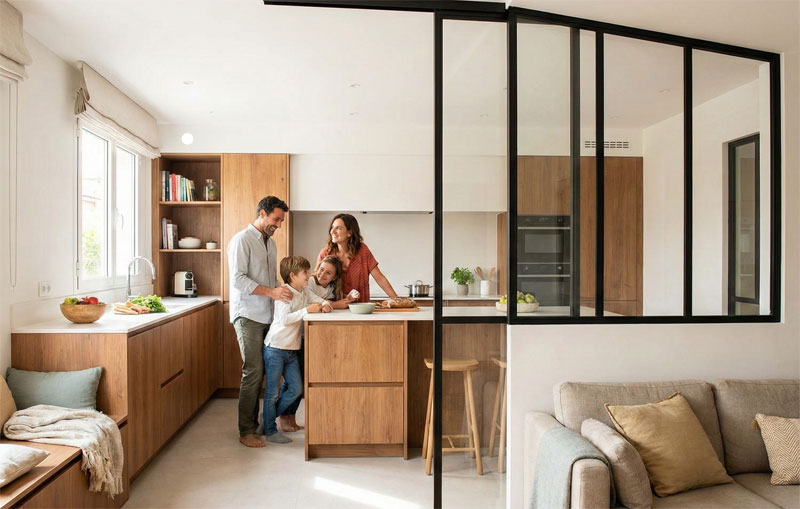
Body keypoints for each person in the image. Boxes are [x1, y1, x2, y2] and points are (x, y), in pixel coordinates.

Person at [227, 196, 293, 448]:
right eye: (276, 219)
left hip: (266, 315)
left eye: (281, 220)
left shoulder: (271, 243)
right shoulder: (242, 240)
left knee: (266, 372)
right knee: (253, 371)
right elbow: (238, 280)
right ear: (262, 214)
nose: (278, 224)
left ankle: (258, 424)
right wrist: (272, 292)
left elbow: (269, 279)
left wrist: (284, 291)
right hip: (248, 315)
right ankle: (245, 431)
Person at [276, 256, 354, 433]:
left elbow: (319, 302)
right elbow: (311, 303)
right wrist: (333, 304)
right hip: (296, 337)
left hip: (305, 337)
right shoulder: (308, 283)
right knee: (295, 381)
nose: (322, 274)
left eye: (328, 272)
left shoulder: (330, 288)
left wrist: (328, 304)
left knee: (299, 380)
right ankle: (282, 415)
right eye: (321, 269)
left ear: (335, 277)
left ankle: (288, 415)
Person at [262, 256, 331, 443]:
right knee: (272, 392)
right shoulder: (284, 293)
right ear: (293, 275)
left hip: (291, 350)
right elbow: (284, 319)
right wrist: (308, 310)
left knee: (296, 389)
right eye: (305, 273)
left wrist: (324, 306)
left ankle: (267, 419)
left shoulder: (304, 291)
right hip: (275, 348)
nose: (310, 275)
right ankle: (269, 430)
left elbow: (321, 300)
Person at [316, 213, 398, 302]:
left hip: (360, 308)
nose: (332, 231)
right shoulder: (325, 253)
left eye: (338, 228)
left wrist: (396, 299)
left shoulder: (362, 251)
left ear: (349, 232)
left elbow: (379, 278)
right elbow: (315, 280)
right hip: (333, 309)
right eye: (332, 227)